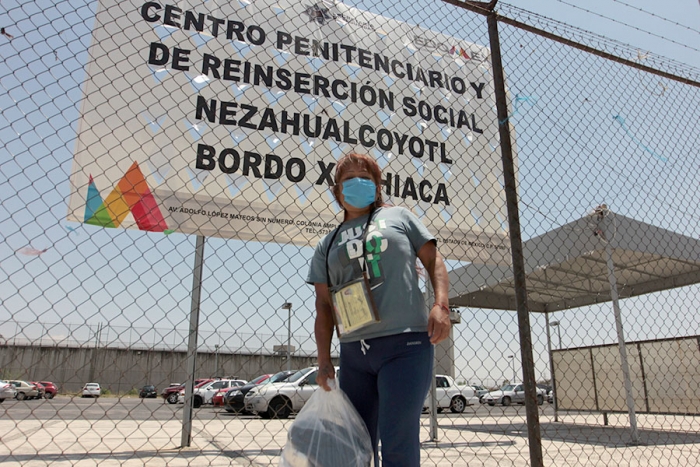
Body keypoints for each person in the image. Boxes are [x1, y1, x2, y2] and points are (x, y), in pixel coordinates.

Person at [306, 152, 451, 467]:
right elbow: (323, 305)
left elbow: (433, 260)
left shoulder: (399, 217)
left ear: (377, 186)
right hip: (354, 353)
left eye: (365, 178)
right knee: (356, 445)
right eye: (349, 179)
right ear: (337, 190)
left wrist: (441, 304)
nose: (357, 183)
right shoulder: (326, 244)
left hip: (405, 345)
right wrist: (323, 360)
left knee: (397, 442)